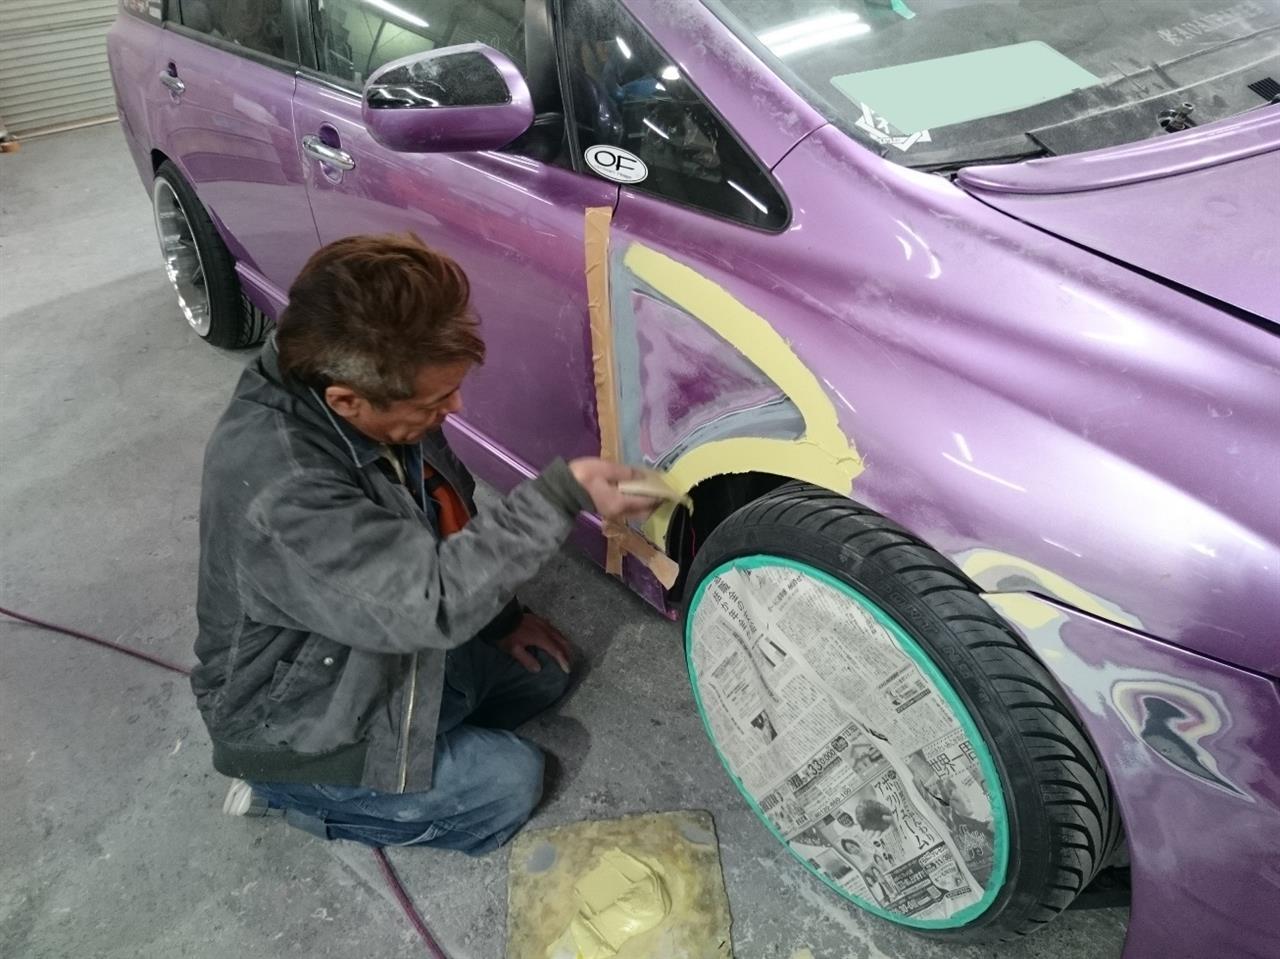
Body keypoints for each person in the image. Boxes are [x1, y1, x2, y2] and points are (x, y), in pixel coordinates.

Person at [192, 233, 655, 854]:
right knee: (508, 784)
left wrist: (500, 621)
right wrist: (560, 497)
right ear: (348, 401)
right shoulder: (285, 494)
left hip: (365, 644)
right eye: (437, 400)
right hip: (303, 720)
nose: (456, 406)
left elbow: (444, 514)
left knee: (547, 675)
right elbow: (428, 605)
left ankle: (422, 744)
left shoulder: (363, 396)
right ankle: (286, 792)